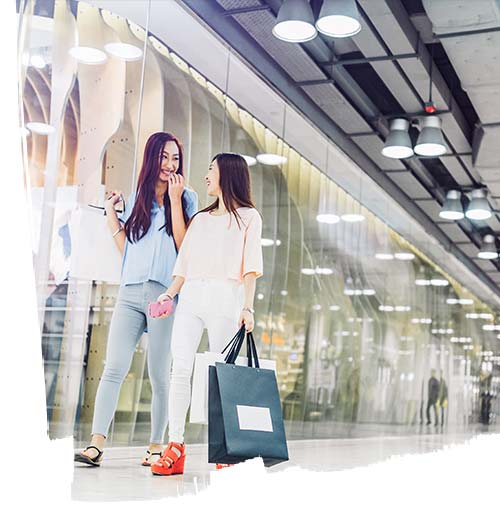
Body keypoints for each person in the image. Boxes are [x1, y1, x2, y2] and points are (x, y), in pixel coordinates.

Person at [74, 132, 198, 467]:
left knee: (159, 375)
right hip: (130, 293)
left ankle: (156, 445)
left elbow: (184, 246)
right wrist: (113, 213)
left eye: (175, 159)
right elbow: (127, 246)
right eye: (163, 157)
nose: (169, 165)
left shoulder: (187, 199)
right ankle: (96, 443)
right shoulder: (138, 198)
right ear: (152, 158)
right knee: (113, 367)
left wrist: (174, 200)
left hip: (164, 296)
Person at [149, 152, 263, 476]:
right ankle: (176, 445)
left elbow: (250, 268)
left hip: (227, 298)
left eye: (210, 170)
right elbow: (184, 264)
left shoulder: (249, 217)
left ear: (227, 174)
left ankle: (223, 448)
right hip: (192, 297)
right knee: (180, 370)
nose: (206, 176)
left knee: (219, 377)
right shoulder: (199, 219)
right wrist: (168, 295)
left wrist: (248, 307)